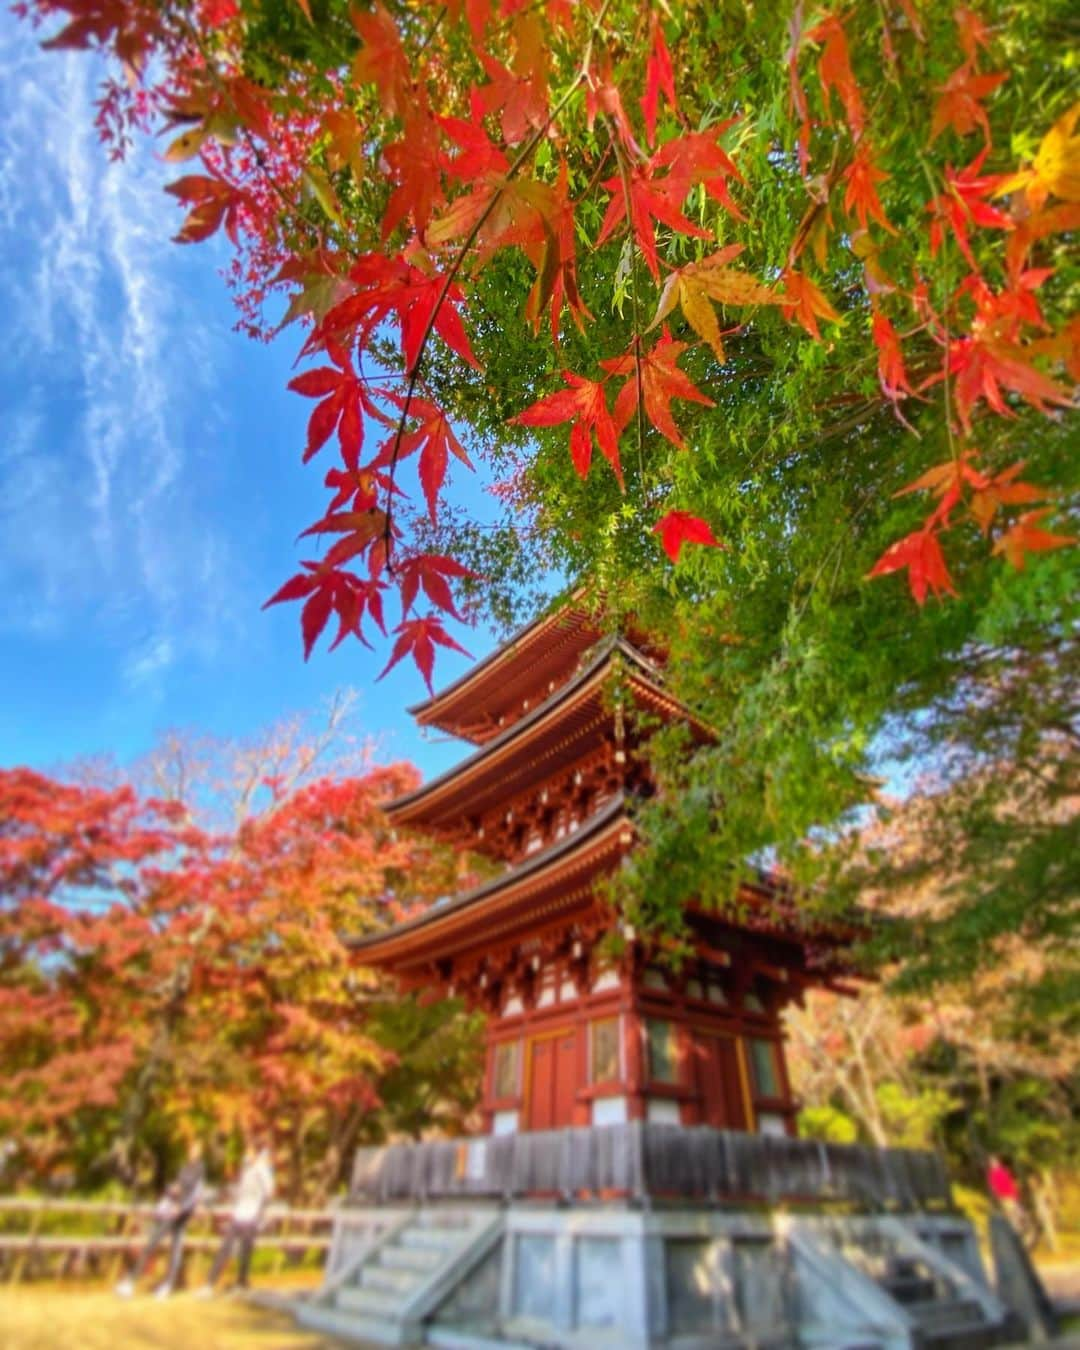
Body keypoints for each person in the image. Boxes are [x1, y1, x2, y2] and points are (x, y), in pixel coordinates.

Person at [116, 1140, 205, 1298]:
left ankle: (134, 1282)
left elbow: (193, 1191)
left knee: (159, 1244)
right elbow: (179, 1187)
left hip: (179, 1211)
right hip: (174, 1208)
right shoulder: (185, 1168)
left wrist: (181, 1205)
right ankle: (161, 1284)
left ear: (200, 1152)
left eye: (196, 1150)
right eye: (191, 1149)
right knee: (166, 1246)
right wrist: (172, 1192)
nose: (193, 1152)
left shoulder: (198, 1169)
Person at [198, 1136, 275, 1294]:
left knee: (246, 1251)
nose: (246, 1154)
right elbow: (240, 1190)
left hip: (252, 1215)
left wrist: (261, 1209)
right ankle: (209, 1284)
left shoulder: (262, 1169)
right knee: (225, 1248)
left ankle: (241, 1282)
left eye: (249, 1151)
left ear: (256, 1153)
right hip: (239, 1213)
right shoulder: (246, 1168)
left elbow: (269, 1191)